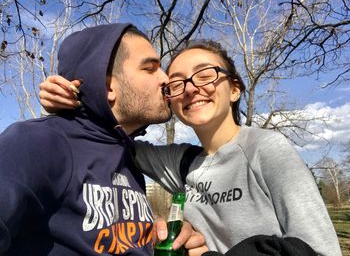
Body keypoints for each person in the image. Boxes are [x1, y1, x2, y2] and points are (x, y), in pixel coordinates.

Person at [39, 40, 342, 256]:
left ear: (234, 89)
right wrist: (76, 104)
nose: (192, 88)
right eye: (178, 83)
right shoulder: (182, 162)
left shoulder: (266, 149)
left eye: (206, 74)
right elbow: (114, 140)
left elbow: (319, 248)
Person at [0, 23, 206, 255]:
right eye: (150, 69)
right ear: (108, 86)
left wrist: (156, 240)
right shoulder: (39, 142)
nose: (166, 79)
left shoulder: (128, 155)